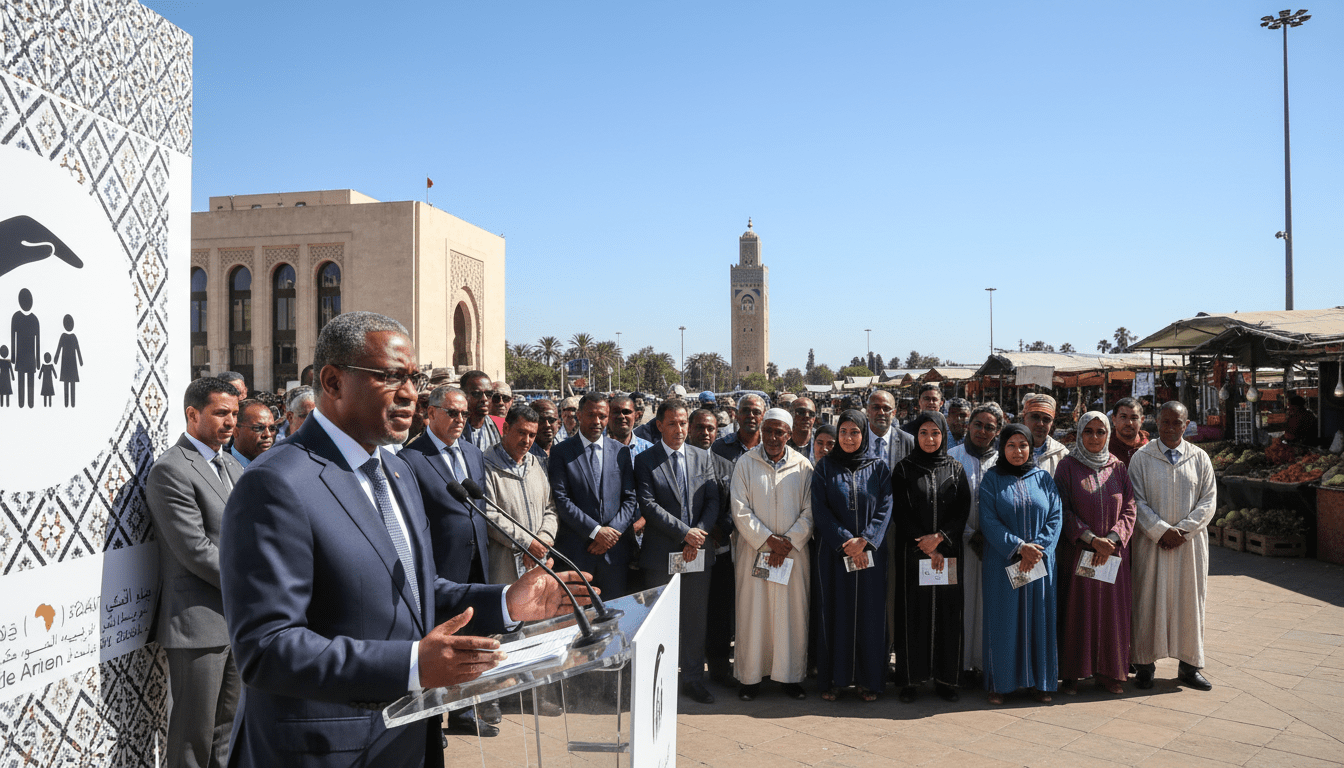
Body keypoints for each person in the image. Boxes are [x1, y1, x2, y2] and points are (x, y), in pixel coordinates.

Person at [220, 312, 592, 767]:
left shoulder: (396, 472)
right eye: (391, 377)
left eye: (413, 378)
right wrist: (413, 664)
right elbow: (268, 647)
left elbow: (419, 592)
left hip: (408, 740)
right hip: (324, 751)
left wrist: (507, 604)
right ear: (333, 382)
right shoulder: (276, 483)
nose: (410, 394)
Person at [145, 376, 242, 768]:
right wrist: (256, 582)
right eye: (221, 413)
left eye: (234, 413)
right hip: (198, 624)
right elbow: (195, 550)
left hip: (237, 619)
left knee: (227, 731)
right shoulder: (171, 470)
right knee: (193, 736)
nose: (230, 421)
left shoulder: (233, 464)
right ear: (192, 414)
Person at [399, 384, 499, 734]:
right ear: (431, 413)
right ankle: (431, 724)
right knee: (439, 644)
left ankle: (462, 713)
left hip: (476, 562)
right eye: (452, 412)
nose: (460, 419)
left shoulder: (472, 453)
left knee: (470, 643)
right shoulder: (411, 459)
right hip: (440, 569)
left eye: (464, 414)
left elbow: (477, 509)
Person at [635, 399, 721, 704]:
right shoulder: (646, 461)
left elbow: (713, 500)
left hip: (697, 553)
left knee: (695, 619)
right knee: (660, 621)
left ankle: (693, 679)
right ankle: (659, 679)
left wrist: (697, 535)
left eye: (683, 423)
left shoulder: (702, 457)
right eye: (672, 423)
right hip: (661, 555)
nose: (679, 429)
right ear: (659, 426)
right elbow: (649, 505)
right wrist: (685, 533)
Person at [1129, 401, 1217, 691]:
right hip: (1151, 544)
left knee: (1190, 603)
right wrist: (1160, 531)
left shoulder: (1200, 457)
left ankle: (1190, 666)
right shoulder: (1142, 458)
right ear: (1156, 422)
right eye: (1165, 422)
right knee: (1147, 601)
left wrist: (1183, 531)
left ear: (1186, 424)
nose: (1170, 428)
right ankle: (1144, 665)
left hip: (1188, 546)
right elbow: (1136, 501)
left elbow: (1208, 501)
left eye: (1176, 423)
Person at [730, 408, 814, 701]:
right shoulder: (745, 463)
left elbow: (810, 511)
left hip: (792, 556)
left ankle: (790, 677)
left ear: (790, 435)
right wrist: (768, 541)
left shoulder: (803, 467)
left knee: (790, 618)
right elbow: (740, 510)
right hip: (756, 553)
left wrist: (787, 542)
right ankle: (750, 678)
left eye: (780, 432)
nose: (774, 438)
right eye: (768, 431)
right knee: (754, 617)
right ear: (761, 432)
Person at [978, 423, 1063, 705]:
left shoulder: (1043, 478)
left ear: (1031, 448)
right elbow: (988, 519)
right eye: (1011, 445)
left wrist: (1038, 549)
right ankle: (1000, 684)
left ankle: (1042, 683)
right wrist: (1018, 547)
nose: (1018, 451)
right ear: (1002, 447)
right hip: (1004, 563)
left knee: (1040, 620)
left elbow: (1055, 516)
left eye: (1023, 445)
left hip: (1039, 563)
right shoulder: (991, 479)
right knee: (1004, 622)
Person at [810, 410, 891, 702]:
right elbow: (820, 509)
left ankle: (868, 681)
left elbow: (885, 506)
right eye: (843, 432)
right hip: (835, 555)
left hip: (870, 555)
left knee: (870, 615)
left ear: (864, 434)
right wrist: (846, 541)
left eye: (854, 432)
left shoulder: (878, 468)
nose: (848, 438)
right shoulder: (824, 468)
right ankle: (833, 679)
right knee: (835, 612)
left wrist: (866, 540)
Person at [890, 411, 970, 703]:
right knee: (914, 614)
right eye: (923, 433)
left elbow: (962, 511)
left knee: (948, 615)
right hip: (915, 553)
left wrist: (941, 540)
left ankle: (947, 679)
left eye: (935, 433)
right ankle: (911, 678)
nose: (929, 439)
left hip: (946, 554)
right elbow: (899, 511)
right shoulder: (903, 469)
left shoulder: (956, 469)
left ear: (944, 435)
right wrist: (925, 543)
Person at [1055, 412, 1136, 696]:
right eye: (1088, 431)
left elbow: (1130, 507)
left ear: (1108, 435)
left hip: (1113, 555)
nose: (1094, 437)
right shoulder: (1067, 467)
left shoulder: (1118, 468)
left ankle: (1110, 672)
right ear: (1079, 433)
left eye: (1100, 432)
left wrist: (1112, 539)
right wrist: (1090, 538)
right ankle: (1072, 674)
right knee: (1078, 611)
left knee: (1112, 613)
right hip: (1080, 553)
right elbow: (1062, 509)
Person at [550, 391, 638, 596]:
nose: (597, 421)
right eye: (591, 415)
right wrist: (596, 531)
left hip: (614, 555)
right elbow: (561, 500)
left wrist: (611, 534)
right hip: (578, 554)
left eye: (602, 416)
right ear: (579, 415)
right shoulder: (561, 452)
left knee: (614, 617)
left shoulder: (620, 451)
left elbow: (630, 498)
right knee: (578, 620)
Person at [947, 402, 1004, 679]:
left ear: (998, 431)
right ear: (968, 425)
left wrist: (991, 536)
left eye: (989, 427)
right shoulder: (952, 457)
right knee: (962, 605)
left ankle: (986, 664)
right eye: (978, 424)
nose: (982, 431)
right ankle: (962, 665)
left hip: (996, 546)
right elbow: (945, 504)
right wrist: (969, 534)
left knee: (990, 605)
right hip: (960, 543)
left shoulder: (1004, 460)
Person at [481, 403, 558, 585]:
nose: (527, 440)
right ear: (506, 428)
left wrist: (543, 540)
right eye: (522, 432)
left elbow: (550, 508)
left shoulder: (535, 464)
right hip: (504, 567)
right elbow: (489, 514)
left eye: (532, 435)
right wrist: (527, 543)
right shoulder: (486, 465)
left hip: (538, 560)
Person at [687, 407, 737, 684]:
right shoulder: (680, 461)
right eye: (700, 427)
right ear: (689, 429)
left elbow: (735, 505)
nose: (705, 433)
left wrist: (722, 528)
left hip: (719, 550)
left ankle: (718, 668)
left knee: (719, 611)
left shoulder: (726, 465)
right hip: (688, 549)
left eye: (711, 428)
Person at [1021, 393, 1068, 475]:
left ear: (1052, 424)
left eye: (1046, 419)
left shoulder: (1061, 454)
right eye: (1035, 417)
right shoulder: (1009, 450)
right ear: (1024, 418)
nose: (1040, 424)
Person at [866, 390, 914, 468]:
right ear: (868, 411)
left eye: (886, 408)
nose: (881, 412)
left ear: (893, 413)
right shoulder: (856, 439)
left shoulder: (908, 442)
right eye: (876, 407)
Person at [459, 370, 505, 451]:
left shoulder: (498, 427)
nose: (484, 399)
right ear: (463, 395)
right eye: (477, 394)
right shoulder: (455, 427)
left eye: (489, 394)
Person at [230, 399, 277, 467]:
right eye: (258, 428)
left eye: (272, 428)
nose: (268, 434)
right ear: (236, 432)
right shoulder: (219, 466)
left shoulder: (278, 465)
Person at [1109, 397, 1149, 466]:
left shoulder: (1151, 450)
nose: (1129, 423)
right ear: (1114, 419)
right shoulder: (1105, 449)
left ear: (1142, 420)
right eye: (1123, 417)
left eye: (1134, 418)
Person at [53, 314, 81, 407]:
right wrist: (56, 358)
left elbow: (77, 349)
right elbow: (59, 348)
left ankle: (72, 403)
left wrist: (80, 360)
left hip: (71, 363)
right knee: (66, 384)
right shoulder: (64, 336)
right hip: (67, 363)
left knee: (71, 383)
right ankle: (66, 403)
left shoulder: (72, 337)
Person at [529, 398, 561, 469]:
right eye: (541, 420)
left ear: (559, 423)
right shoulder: (521, 454)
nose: (547, 425)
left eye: (551, 420)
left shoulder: (566, 452)